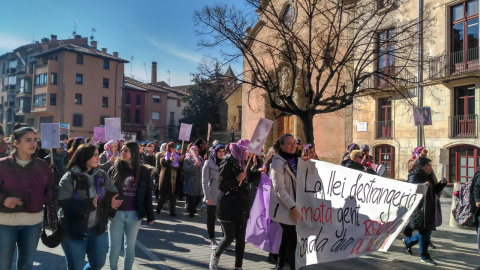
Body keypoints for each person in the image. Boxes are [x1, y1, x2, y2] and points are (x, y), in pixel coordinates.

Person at [57, 143, 123, 270]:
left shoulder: (102, 175)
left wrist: (112, 202)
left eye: (98, 155)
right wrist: (89, 205)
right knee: (75, 267)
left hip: (97, 229)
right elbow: (64, 204)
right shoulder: (70, 177)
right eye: (95, 155)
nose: (98, 158)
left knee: (98, 264)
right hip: (74, 229)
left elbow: (112, 193)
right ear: (84, 157)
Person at [0, 126, 55, 270]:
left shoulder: (43, 166)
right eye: (28, 140)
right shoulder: (2, 165)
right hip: (5, 224)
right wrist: (3, 200)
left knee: (26, 266)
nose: (33, 144)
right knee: (4, 266)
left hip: (33, 224)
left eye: (35, 140)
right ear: (16, 143)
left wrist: (44, 198)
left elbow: (51, 189)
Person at [108, 142, 155, 270]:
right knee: (114, 248)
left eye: (126, 150)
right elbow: (106, 190)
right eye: (122, 150)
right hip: (116, 213)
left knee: (130, 247)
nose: (122, 152)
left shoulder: (143, 170)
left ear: (133, 153)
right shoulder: (115, 168)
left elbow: (147, 194)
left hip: (134, 214)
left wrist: (150, 215)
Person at [209, 143, 248, 270]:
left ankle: (238, 267)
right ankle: (215, 256)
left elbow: (248, 180)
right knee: (229, 237)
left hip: (240, 206)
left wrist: (257, 171)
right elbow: (222, 185)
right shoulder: (227, 162)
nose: (248, 152)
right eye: (246, 150)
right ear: (240, 150)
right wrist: (237, 178)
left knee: (241, 239)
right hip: (227, 206)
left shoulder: (243, 162)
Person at [403, 157, 447, 265]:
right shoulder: (415, 175)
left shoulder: (429, 176)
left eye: (431, 166)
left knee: (426, 232)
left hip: (430, 208)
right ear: (421, 166)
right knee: (425, 233)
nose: (430, 168)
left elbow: (435, 190)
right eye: (428, 166)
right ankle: (424, 256)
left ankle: (408, 242)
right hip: (420, 209)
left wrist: (442, 184)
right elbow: (411, 189)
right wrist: (423, 186)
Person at [268, 134, 299, 270]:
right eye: (289, 143)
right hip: (284, 207)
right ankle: (292, 267)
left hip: (293, 205)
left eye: (295, 143)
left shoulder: (297, 159)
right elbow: (279, 189)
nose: (293, 146)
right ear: (281, 145)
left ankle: (279, 265)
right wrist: (293, 207)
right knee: (293, 240)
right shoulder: (277, 162)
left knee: (287, 239)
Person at [202, 143, 226, 249]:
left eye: (223, 151)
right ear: (215, 152)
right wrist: (207, 197)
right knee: (211, 218)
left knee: (224, 219)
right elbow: (204, 181)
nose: (221, 153)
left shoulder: (226, 162)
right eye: (219, 151)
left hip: (224, 196)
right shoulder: (208, 163)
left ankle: (225, 241)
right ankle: (212, 239)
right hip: (212, 195)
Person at [156, 142, 184, 216]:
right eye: (173, 148)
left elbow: (179, 166)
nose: (174, 149)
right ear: (169, 148)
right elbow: (163, 164)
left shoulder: (177, 155)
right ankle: (159, 208)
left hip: (174, 178)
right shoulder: (163, 155)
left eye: (174, 148)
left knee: (173, 195)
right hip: (166, 178)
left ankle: (172, 211)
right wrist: (171, 159)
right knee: (164, 196)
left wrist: (181, 160)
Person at [183, 145, 204, 217]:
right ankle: (191, 210)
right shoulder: (187, 159)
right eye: (194, 150)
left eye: (197, 150)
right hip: (190, 181)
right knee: (191, 197)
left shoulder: (200, 159)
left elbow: (203, 167)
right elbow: (185, 169)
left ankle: (193, 208)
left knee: (198, 196)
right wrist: (194, 165)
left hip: (198, 180)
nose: (196, 151)